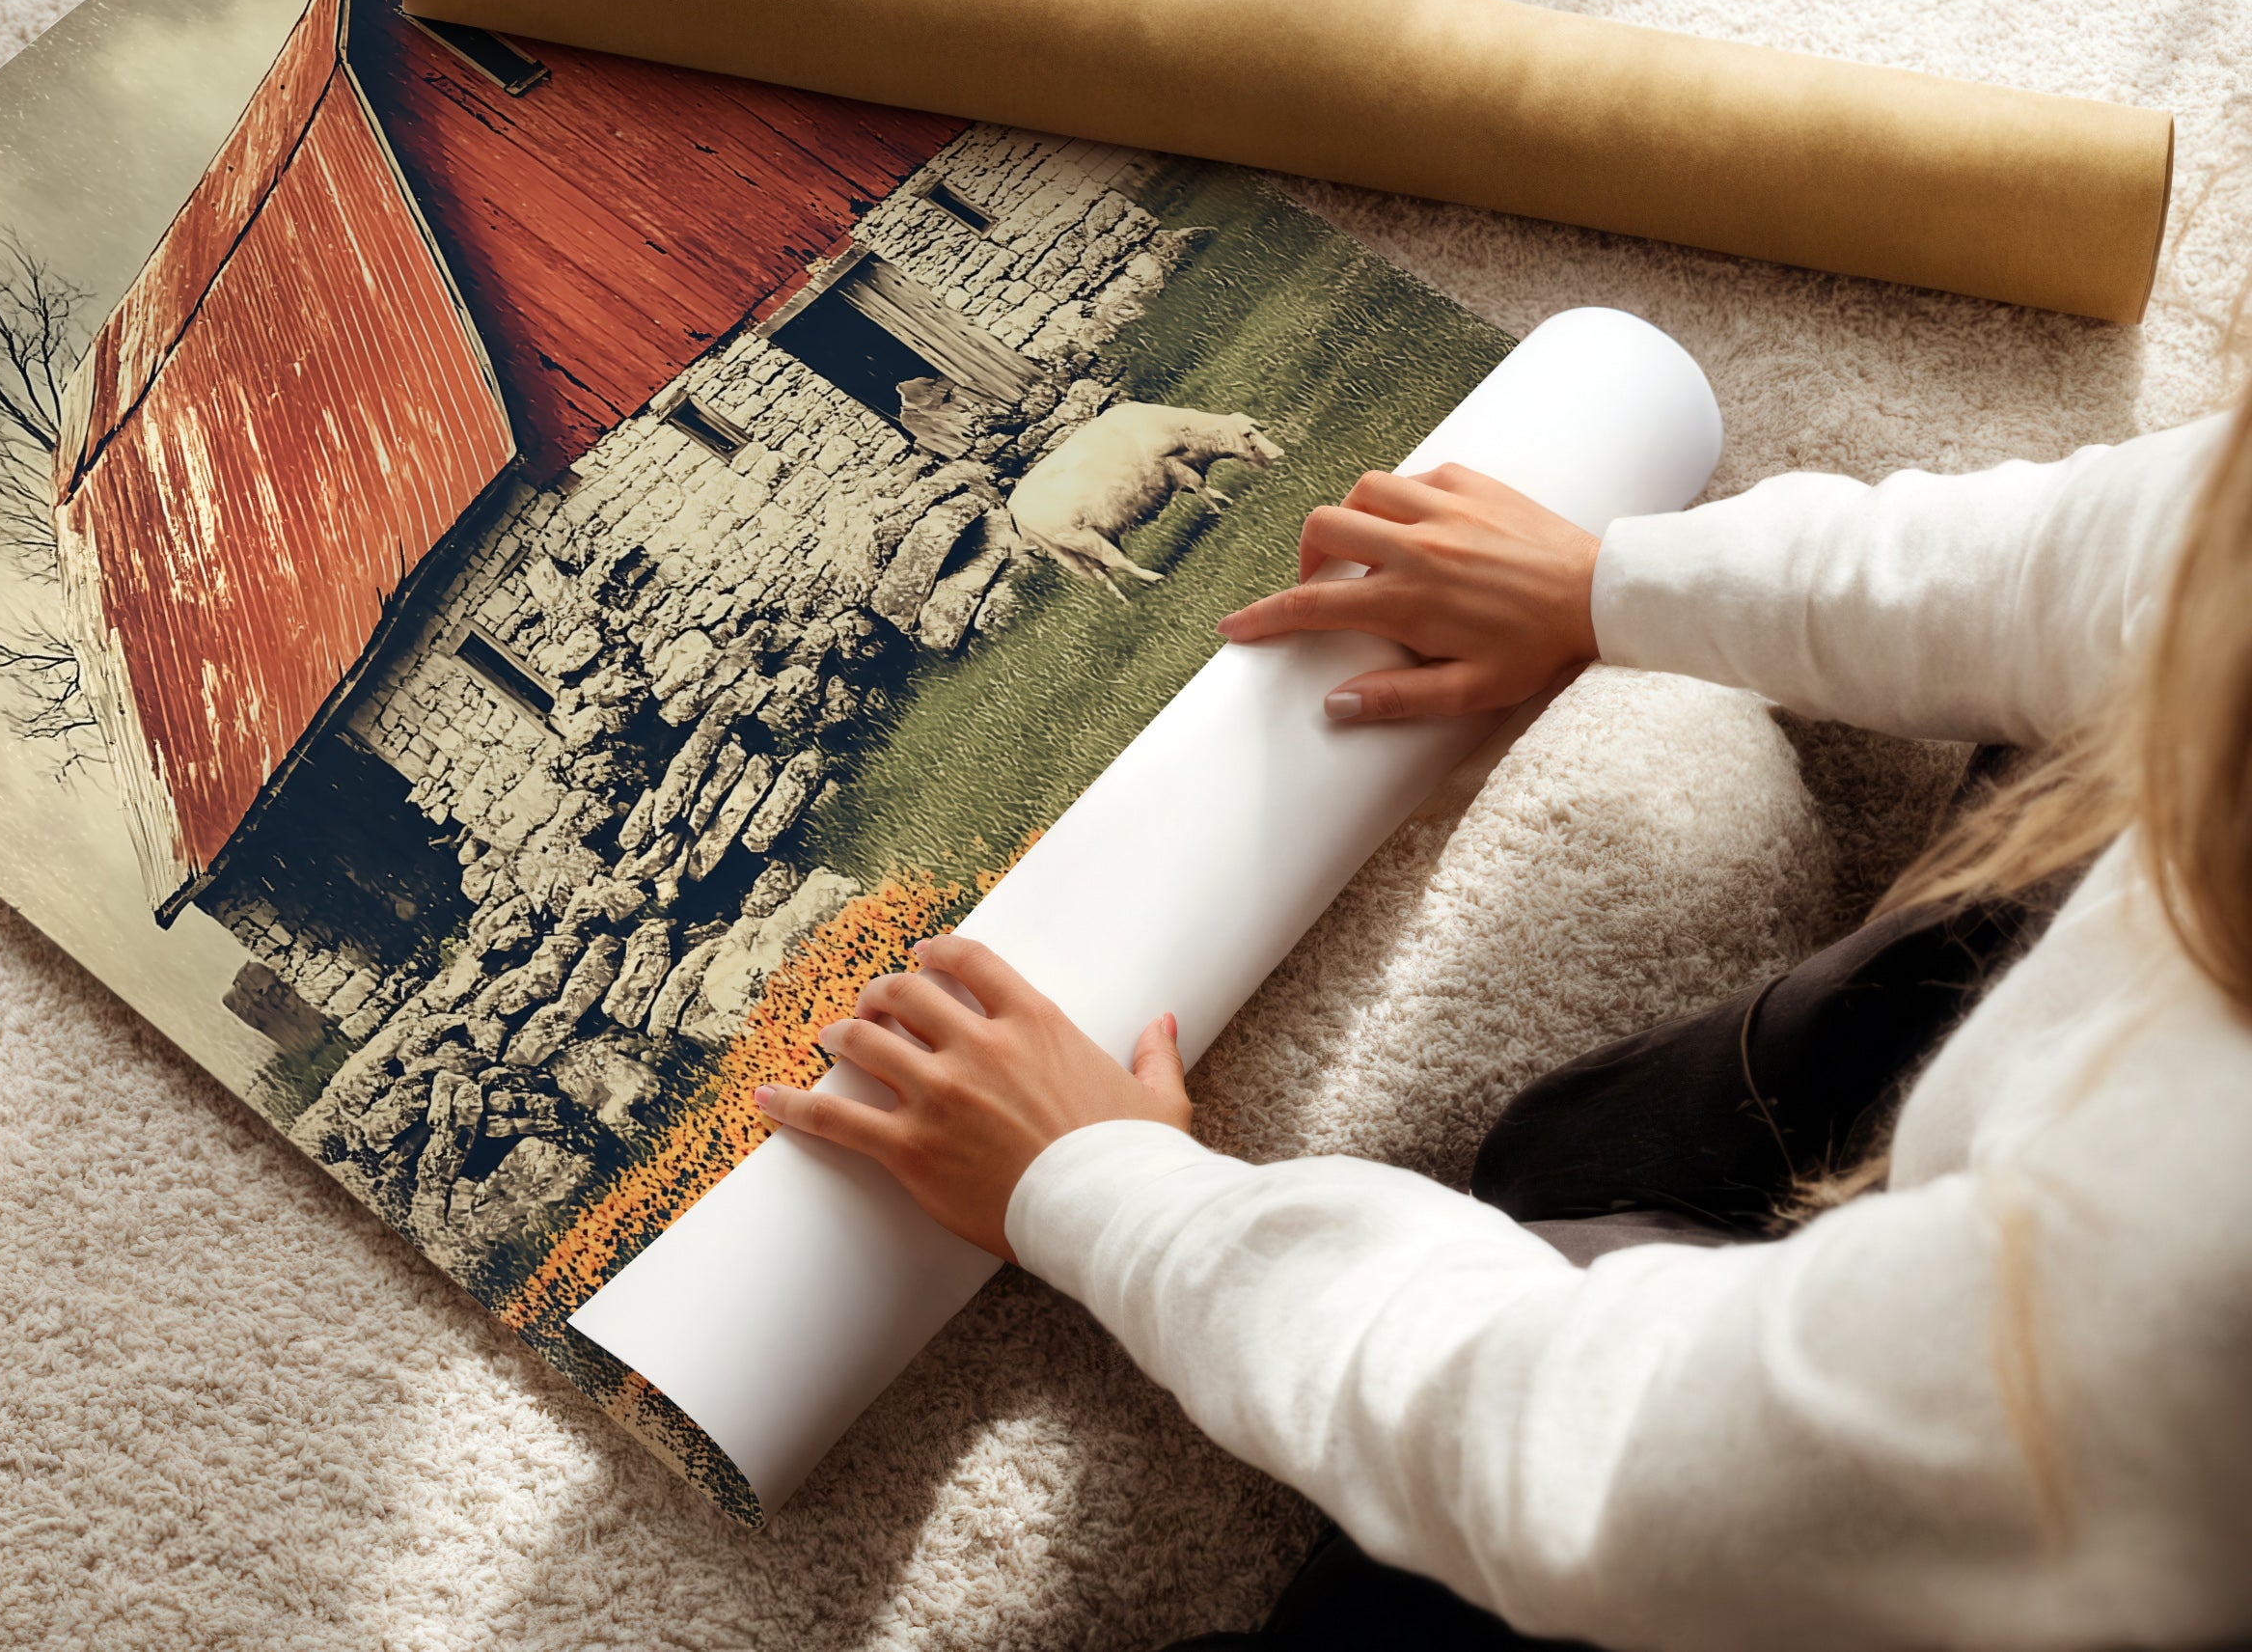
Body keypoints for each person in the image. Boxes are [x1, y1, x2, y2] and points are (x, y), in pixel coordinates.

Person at [754, 411, 2252, 1649]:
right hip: (2065, 1163)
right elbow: (2137, 551)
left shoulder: (2180, 1281)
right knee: (1583, 1143)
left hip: (2019, 1509)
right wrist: (1610, 581)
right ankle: (1688, 1178)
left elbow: (1609, 1458)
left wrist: (1108, 1192)